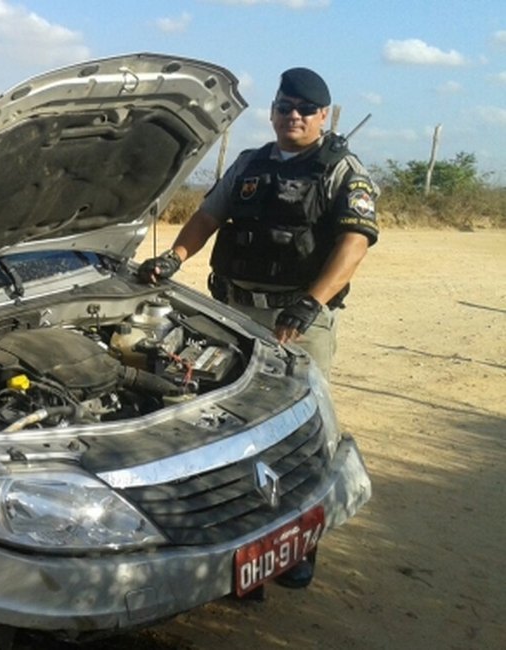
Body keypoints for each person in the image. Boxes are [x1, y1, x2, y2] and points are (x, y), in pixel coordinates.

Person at [137, 67, 379, 592]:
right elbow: (208, 216)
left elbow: (354, 242)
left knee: (298, 432)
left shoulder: (342, 170)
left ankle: (296, 546)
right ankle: (237, 543)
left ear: (323, 117)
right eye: (285, 106)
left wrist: (311, 303)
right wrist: (174, 258)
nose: (293, 115)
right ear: (272, 112)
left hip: (298, 320)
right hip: (234, 315)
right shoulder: (249, 164)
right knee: (227, 426)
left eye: (305, 109)